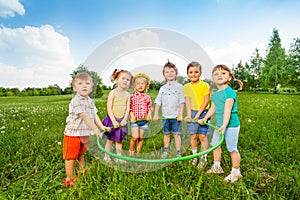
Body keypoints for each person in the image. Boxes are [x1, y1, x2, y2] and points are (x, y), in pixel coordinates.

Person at [62, 72, 110, 187]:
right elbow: (85, 117)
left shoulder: (90, 101)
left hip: (84, 134)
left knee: (81, 154)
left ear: (91, 88)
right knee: (71, 157)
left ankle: (81, 170)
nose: (84, 86)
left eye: (87, 83)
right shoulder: (76, 101)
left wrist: (101, 127)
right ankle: (69, 178)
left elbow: (94, 115)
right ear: (74, 88)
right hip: (72, 134)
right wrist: (96, 130)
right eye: (80, 83)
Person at [198, 64, 243, 183]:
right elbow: (213, 108)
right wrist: (205, 118)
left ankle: (236, 172)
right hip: (220, 125)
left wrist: (224, 125)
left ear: (229, 77)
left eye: (223, 73)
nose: (219, 75)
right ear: (213, 79)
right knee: (215, 145)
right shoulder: (216, 94)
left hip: (231, 125)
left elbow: (227, 110)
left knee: (232, 148)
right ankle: (217, 167)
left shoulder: (229, 92)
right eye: (216, 74)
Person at [153, 61, 185, 158]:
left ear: (176, 73)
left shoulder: (180, 87)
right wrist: (155, 114)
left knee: (176, 134)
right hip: (165, 116)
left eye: (172, 71)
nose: (170, 74)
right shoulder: (162, 88)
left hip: (176, 116)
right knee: (166, 134)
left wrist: (180, 114)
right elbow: (158, 101)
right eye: (167, 72)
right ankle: (166, 151)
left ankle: (178, 152)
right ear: (164, 75)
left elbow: (182, 101)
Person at [183, 61, 211, 168]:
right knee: (193, 135)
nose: (193, 74)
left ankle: (203, 158)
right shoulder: (186, 87)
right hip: (193, 111)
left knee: (202, 136)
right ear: (187, 74)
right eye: (191, 72)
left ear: (200, 73)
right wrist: (189, 115)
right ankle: (195, 157)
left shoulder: (205, 85)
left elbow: (206, 102)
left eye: (196, 72)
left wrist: (198, 115)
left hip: (203, 112)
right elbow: (188, 101)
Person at [103, 69, 132, 162]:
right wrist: (114, 121)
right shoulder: (113, 93)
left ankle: (118, 157)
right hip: (112, 120)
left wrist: (124, 119)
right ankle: (107, 156)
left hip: (122, 121)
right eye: (123, 78)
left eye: (128, 80)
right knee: (110, 140)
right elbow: (109, 108)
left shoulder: (128, 95)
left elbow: (128, 108)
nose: (125, 81)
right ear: (117, 80)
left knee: (119, 141)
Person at [129, 73, 153, 155]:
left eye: (142, 84)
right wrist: (132, 116)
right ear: (134, 85)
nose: (140, 85)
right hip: (135, 121)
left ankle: (137, 153)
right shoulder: (132, 97)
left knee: (141, 138)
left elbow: (150, 107)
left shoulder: (147, 97)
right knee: (135, 137)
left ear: (146, 86)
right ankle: (131, 152)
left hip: (144, 121)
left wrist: (149, 114)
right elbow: (129, 108)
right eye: (138, 84)